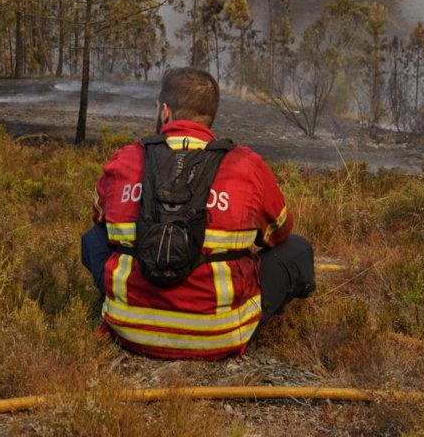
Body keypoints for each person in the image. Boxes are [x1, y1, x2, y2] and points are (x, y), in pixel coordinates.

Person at [81, 67, 316, 360]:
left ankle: (129, 305)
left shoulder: (124, 160)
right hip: (219, 336)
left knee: (92, 239)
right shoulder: (245, 165)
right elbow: (280, 233)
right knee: (297, 249)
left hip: (129, 330)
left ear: (165, 112)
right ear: (210, 117)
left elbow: (98, 219)